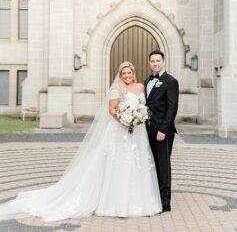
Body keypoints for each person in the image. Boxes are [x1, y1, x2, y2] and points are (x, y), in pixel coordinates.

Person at [0, 61, 162, 222]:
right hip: (120, 130)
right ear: (120, 75)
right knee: (119, 164)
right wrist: (124, 121)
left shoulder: (141, 87)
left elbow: (143, 107)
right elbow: (111, 110)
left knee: (138, 164)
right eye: (123, 73)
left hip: (137, 133)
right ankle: (117, 204)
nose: (127, 76)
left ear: (133, 73)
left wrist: (139, 117)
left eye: (129, 73)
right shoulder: (116, 89)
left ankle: (141, 203)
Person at [145, 50, 179, 213]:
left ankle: (165, 204)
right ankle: (155, 198)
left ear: (163, 62)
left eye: (158, 60)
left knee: (163, 166)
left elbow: (172, 108)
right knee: (153, 165)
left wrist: (163, 130)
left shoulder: (170, 81)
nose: (155, 63)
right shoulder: (147, 81)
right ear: (149, 63)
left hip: (162, 132)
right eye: (152, 61)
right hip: (148, 130)